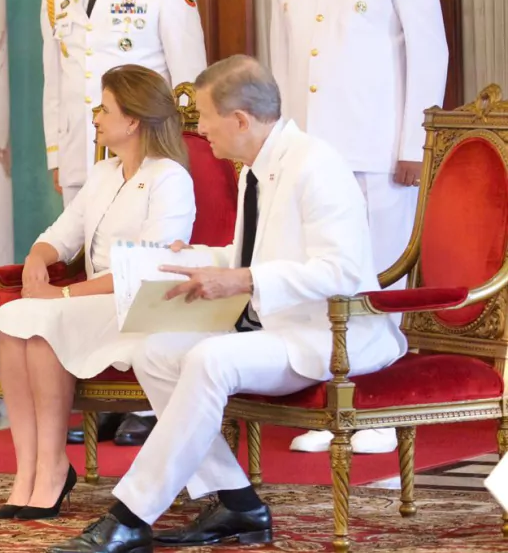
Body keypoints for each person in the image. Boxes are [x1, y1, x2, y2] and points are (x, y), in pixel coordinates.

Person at [45, 55, 407, 553]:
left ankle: (129, 515)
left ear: (239, 119)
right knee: (154, 352)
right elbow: (252, 255)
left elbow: (341, 271)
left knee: (208, 359)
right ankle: (237, 501)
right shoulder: (253, 170)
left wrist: (242, 279)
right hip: (270, 328)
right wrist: (193, 257)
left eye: (206, 117)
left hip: (328, 334)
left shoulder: (316, 165)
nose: (199, 130)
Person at [268, 0, 448, 456]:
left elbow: (429, 53)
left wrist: (415, 145)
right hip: (311, 152)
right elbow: (283, 58)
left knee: (379, 280)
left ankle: (382, 410)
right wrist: (281, 144)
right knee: (322, 280)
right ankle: (335, 405)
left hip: (377, 150)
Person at [0, 65, 195, 521]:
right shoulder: (102, 173)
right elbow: (60, 235)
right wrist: (37, 259)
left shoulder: (169, 178)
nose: (95, 117)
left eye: (104, 108)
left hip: (139, 305)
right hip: (90, 302)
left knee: (42, 324)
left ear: (132, 120)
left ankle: (54, 468)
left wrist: (64, 296)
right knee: (14, 323)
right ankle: (29, 470)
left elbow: (150, 267)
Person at [42, 0, 207, 446]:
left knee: (142, 266)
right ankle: (105, 387)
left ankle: (149, 399)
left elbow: (188, 85)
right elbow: (56, 79)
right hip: (84, 152)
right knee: (95, 263)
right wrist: (58, 151)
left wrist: (185, 154)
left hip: (146, 149)